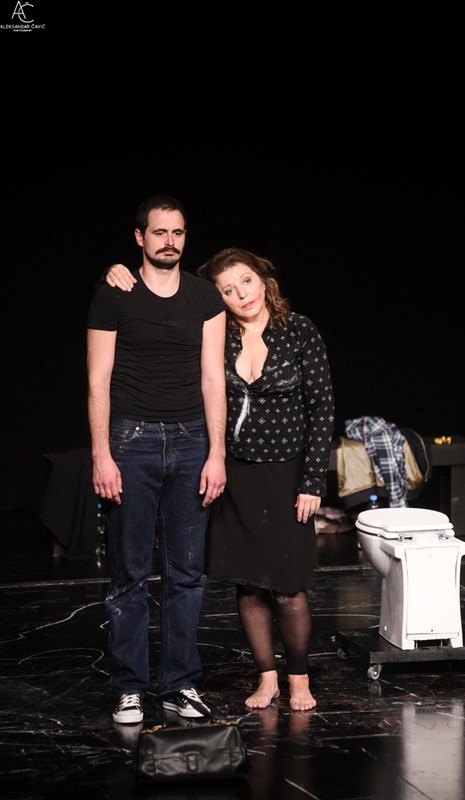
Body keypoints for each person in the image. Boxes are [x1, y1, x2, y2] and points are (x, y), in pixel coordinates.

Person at [106, 246, 335, 711]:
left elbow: (322, 408)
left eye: (246, 281)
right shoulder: (216, 333)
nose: (241, 294)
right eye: (228, 290)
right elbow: (163, 303)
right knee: (248, 585)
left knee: (288, 585)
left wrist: (313, 481)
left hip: (287, 476)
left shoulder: (299, 330)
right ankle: (267, 678)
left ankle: (298, 679)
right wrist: (114, 273)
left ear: (263, 278)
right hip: (234, 477)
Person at [87, 194, 227, 726]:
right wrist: (102, 454)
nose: (170, 241)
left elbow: (213, 378)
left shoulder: (204, 296)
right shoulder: (114, 294)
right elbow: (98, 380)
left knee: (185, 573)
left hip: (193, 442)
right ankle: (129, 687)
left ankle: (178, 685)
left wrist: (217, 453)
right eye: (160, 232)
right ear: (140, 237)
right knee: (128, 573)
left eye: (178, 232)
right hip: (132, 441)